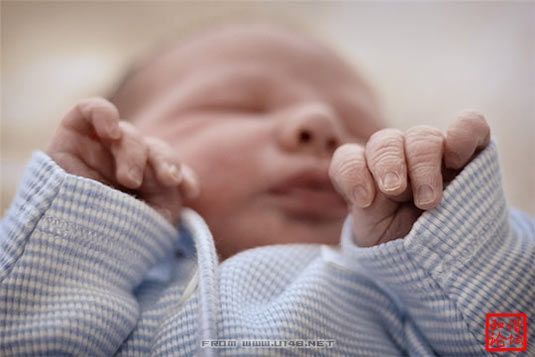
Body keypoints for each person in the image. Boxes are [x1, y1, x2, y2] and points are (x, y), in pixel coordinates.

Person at [0, 23, 533, 355]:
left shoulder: (410, 302)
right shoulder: (102, 287)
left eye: (359, 128)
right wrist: (83, 217)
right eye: (239, 105)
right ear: (127, 138)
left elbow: (509, 341)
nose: (321, 123)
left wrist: (460, 247)